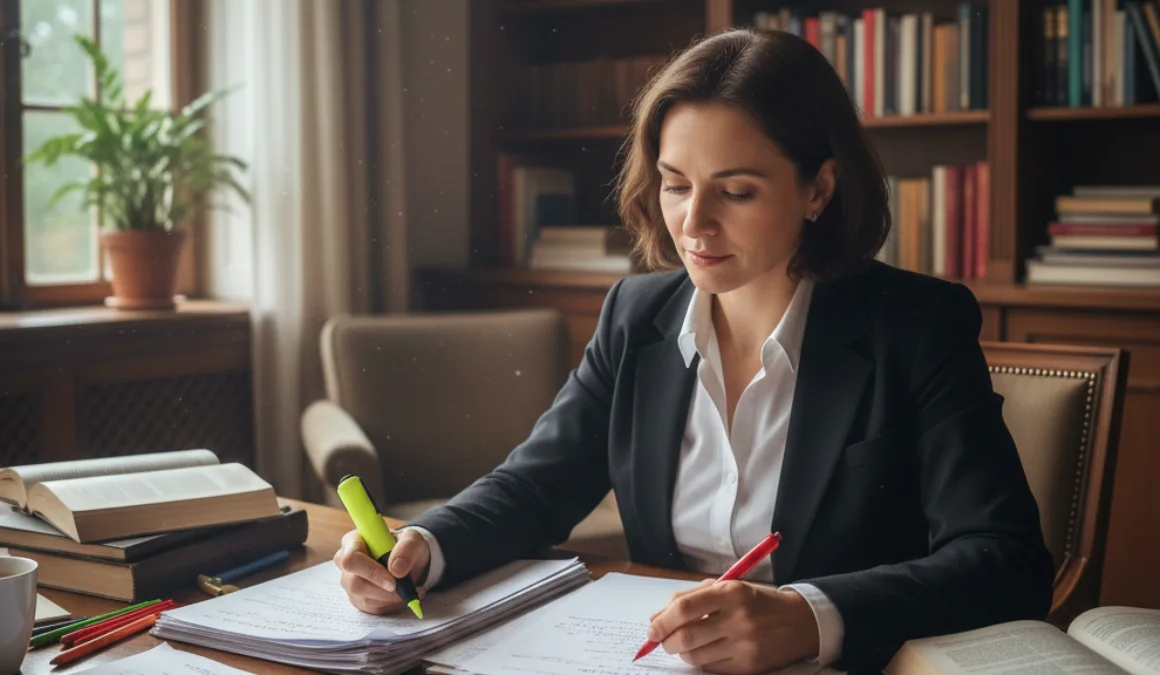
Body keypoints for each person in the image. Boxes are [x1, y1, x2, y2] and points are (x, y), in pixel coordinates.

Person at [333, 27, 1053, 674]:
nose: (694, 223)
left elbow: (1005, 560)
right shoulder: (635, 314)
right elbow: (537, 485)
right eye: (676, 185)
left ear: (819, 188)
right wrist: (423, 546)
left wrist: (809, 616)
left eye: (735, 191)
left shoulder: (915, 324)